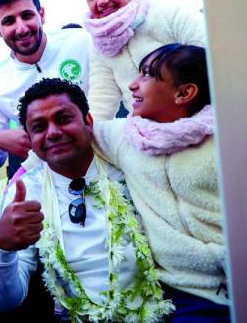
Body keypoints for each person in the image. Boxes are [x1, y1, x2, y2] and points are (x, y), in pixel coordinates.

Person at [0, 77, 173, 322]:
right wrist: (0, 247)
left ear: (88, 121)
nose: (53, 132)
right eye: (39, 127)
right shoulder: (25, 191)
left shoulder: (128, 163)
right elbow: (3, 302)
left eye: (63, 119)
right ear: (29, 138)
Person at [93, 44, 229, 321]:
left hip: (236, 284)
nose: (132, 85)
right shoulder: (125, 138)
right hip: (176, 293)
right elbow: (73, 131)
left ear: (184, 93)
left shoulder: (228, 138)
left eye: (146, 75)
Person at [0, 0, 92, 177]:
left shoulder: (82, 42)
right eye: (9, 21)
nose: (21, 28)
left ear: (42, 14)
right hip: (53, 179)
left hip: (109, 162)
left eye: (27, 15)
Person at [78, 0, 206, 120]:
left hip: (198, 116)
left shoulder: (168, 13)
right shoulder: (98, 42)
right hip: (144, 127)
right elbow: (102, 97)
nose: (101, 1)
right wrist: (88, 130)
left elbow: (209, 56)